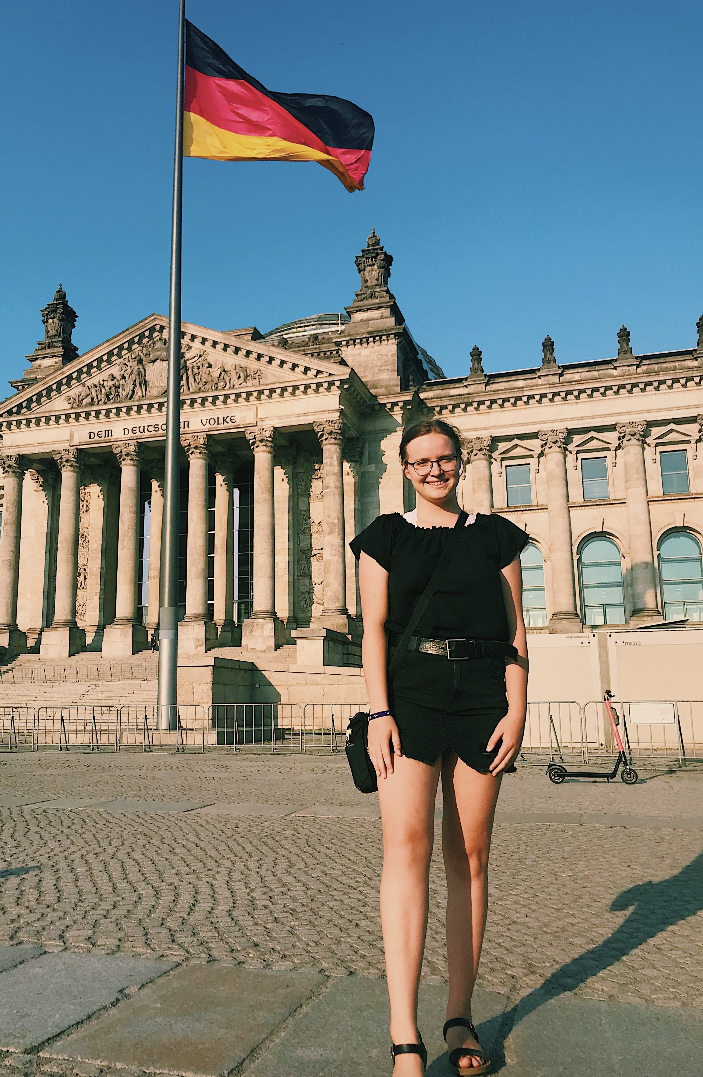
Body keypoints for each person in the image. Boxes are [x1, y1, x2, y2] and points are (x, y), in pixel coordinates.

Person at [350, 418, 529, 1075]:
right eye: (420, 461)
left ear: (460, 461)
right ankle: (405, 1033)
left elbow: (517, 632)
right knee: (406, 848)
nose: (433, 469)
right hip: (411, 696)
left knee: (470, 856)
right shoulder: (384, 537)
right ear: (404, 466)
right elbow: (372, 629)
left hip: (482, 699)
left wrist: (519, 707)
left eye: (443, 458)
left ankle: (459, 1015)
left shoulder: (497, 537)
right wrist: (378, 712)